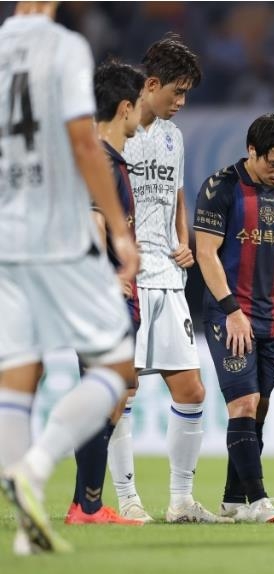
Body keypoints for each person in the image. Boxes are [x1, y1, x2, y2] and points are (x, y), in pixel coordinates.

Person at [0, 1, 139, 554]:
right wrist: (122, 234)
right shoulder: (65, 47)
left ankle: (24, 532)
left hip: (7, 235)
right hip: (58, 233)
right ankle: (33, 467)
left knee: (17, 374)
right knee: (117, 366)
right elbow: (85, 143)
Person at [120, 34, 226, 523]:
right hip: (130, 274)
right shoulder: (116, 128)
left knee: (191, 391)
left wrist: (183, 240)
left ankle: (181, 500)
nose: (181, 103)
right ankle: (126, 499)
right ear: (152, 84)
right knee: (123, 391)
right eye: (177, 92)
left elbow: (177, 192)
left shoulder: (173, 135)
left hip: (169, 275)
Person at [195, 113, 274, 523]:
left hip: (273, 319)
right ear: (251, 151)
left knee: (259, 408)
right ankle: (258, 501)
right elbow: (206, 253)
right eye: (272, 163)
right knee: (243, 402)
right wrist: (231, 312)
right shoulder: (221, 188)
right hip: (229, 315)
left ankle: (232, 501)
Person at [64, 59, 147, 526]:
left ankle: (84, 502)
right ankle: (88, 506)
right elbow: (93, 222)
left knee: (118, 389)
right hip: (102, 296)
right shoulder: (100, 161)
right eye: (138, 108)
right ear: (125, 108)